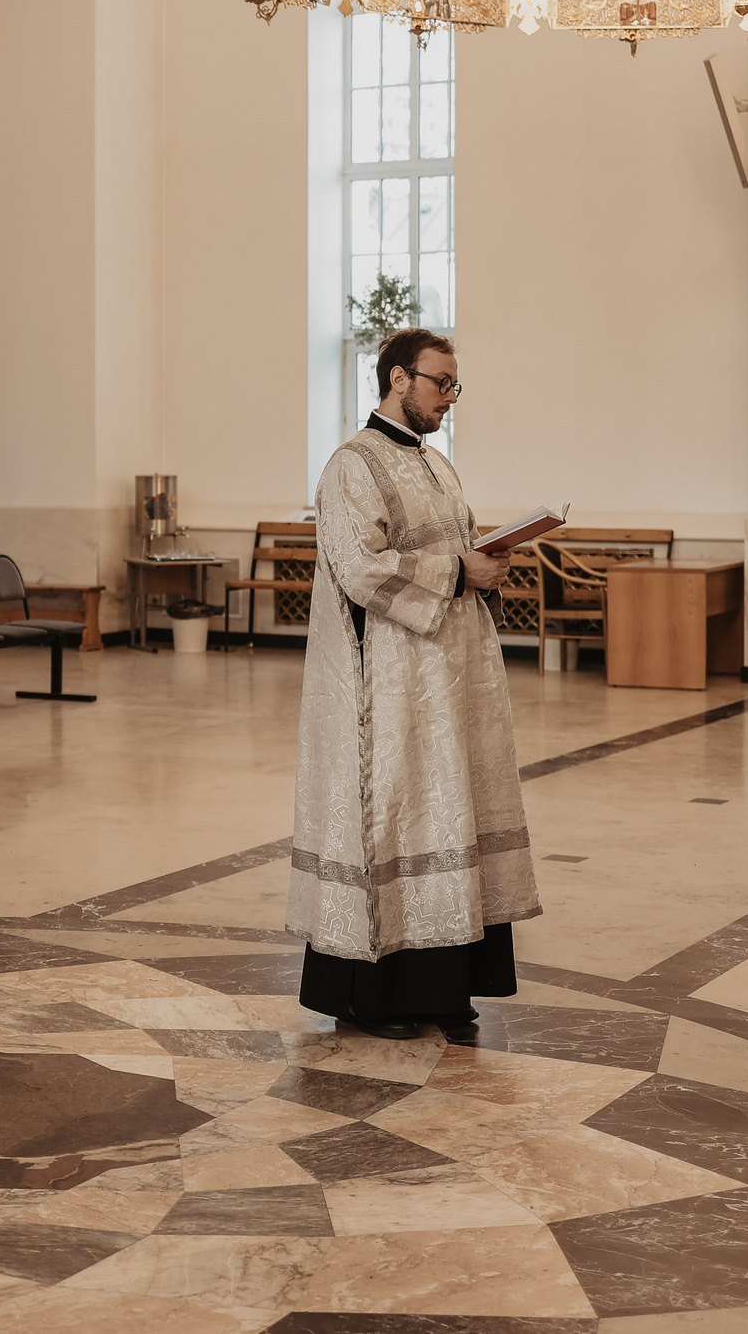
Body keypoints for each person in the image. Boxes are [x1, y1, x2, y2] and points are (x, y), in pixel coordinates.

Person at [291, 327, 540, 1045]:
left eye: (456, 385)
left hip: (448, 677)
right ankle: (373, 997)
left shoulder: (437, 464)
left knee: (449, 813)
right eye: (442, 383)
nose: (450, 398)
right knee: (397, 817)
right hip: (389, 687)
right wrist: (460, 571)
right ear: (399, 379)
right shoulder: (352, 465)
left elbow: (449, 550)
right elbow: (359, 565)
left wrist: (485, 562)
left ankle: (442, 987)